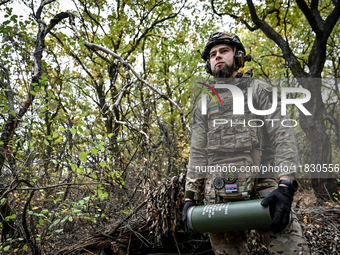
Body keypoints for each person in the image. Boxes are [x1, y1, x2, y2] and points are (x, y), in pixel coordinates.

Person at [182, 32, 310, 255]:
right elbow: (197, 153)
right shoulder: (204, 101)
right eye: (213, 54)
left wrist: (286, 186)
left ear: (239, 57)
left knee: (293, 249)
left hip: (264, 187)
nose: (218, 57)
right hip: (218, 193)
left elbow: (283, 135)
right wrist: (189, 198)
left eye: (224, 51)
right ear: (208, 64)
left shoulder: (259, 90)